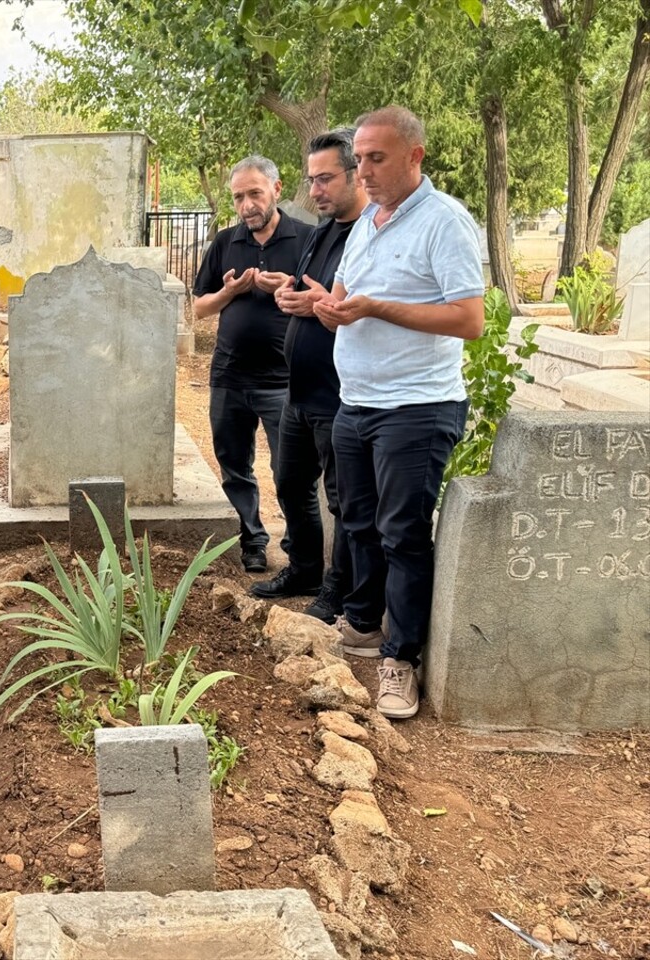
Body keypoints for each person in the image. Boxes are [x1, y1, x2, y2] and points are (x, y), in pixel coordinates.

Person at [312, 106, 484, 720]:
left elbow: (469, 320)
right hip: (356, 401)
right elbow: (347, 297)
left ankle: (399, 660)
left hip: (416, 405)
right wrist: (318, 306)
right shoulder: (370, 223)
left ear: (415, 156)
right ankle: (361, 625)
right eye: (359, 159)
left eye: (376, 158)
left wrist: (376, 309)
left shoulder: (444, 223)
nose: (363, 170)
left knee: (402, 533)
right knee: (355, 519)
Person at [251, 128, 367, 623]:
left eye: (325, 179)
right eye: (311, 179)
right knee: (290, 481)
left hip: (338, 394)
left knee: (343, 500)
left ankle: (337, 590)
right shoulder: (323, 230)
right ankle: (304, 568)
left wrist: (322, 303)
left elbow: (355, 307)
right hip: (298, 391)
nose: (315, 190)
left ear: (357, 173)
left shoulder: (369, 235)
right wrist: (288, 292)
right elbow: (314, 294)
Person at [192, 156, 311, 572]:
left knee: (290, 470)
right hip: (229, 376)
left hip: (285, 380)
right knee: (234, 464)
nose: (247, 205)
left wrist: (291, 287)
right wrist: (230, 292)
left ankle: (299, 547)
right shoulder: (226, 242)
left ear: (277, 190)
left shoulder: (307, 239)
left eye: (254, 193)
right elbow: (199, 307)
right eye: (239, 197)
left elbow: (328, 296)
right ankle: (252, 540)